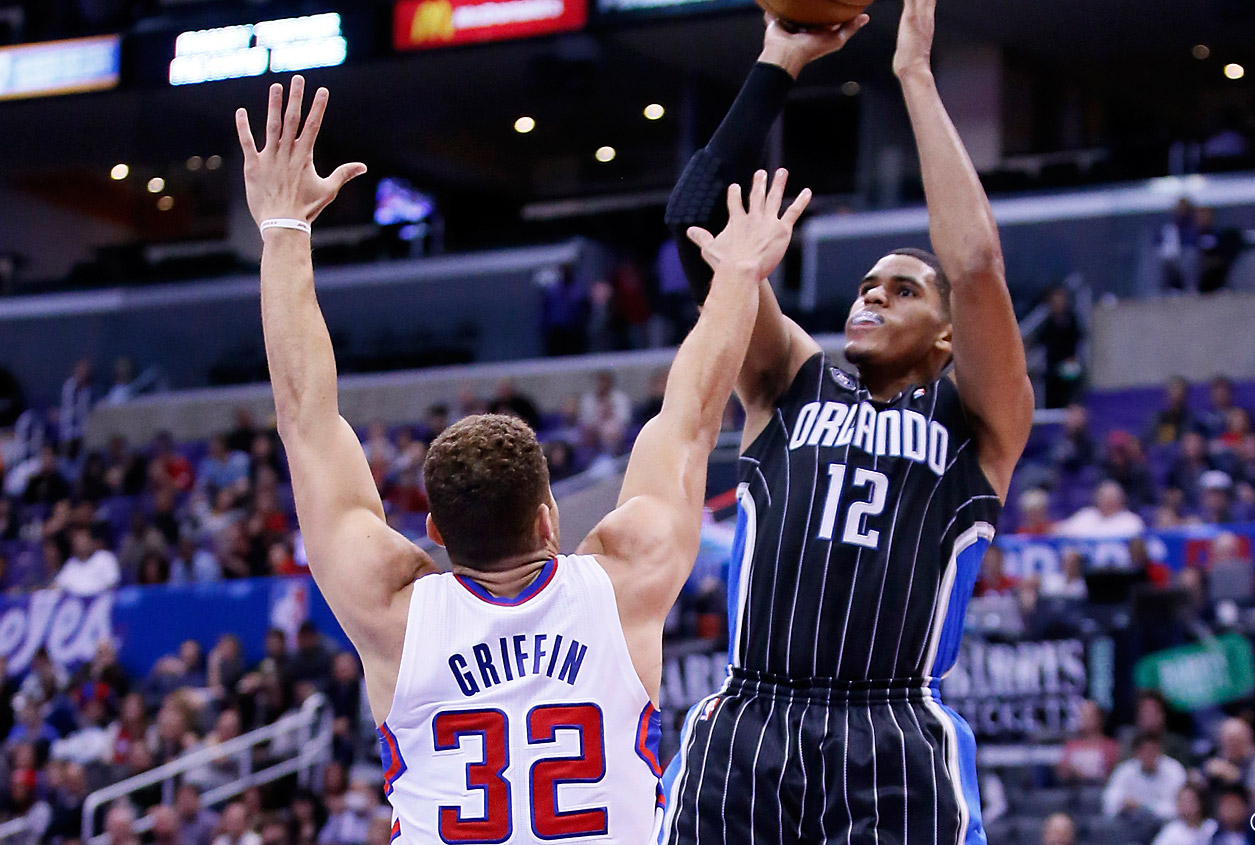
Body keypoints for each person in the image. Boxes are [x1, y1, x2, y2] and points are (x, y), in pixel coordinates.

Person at [236, 76, 809, 843]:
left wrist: (283, 227)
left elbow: (305, 419)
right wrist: (738, 279)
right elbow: (692, 417)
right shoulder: (625, 581)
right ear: (549, 517)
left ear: (433, 528)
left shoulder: (392, 612)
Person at [657, 0, 1033, 840]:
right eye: (867, 283)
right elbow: (695, 223)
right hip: (752, 713)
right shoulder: (789, 374)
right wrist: (775, 65)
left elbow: (973, 265)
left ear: (946, 333)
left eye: (903, 289)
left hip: (894, 734)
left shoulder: (980, 419)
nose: (872, 293)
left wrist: (914, 78)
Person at [1056, 481, 1147, 538]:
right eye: (1104, 498)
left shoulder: (1131, 521)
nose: (1108, 502)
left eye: (1112, 498)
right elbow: (1062, 531)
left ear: (1121, 500)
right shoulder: (1086, 515)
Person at [1151, 785, 1217, 845]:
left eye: (1189, 801)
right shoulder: (1172, 830)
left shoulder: (1212, 827)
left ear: (1200, 803)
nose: (1184, 805)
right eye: (1180, 801)